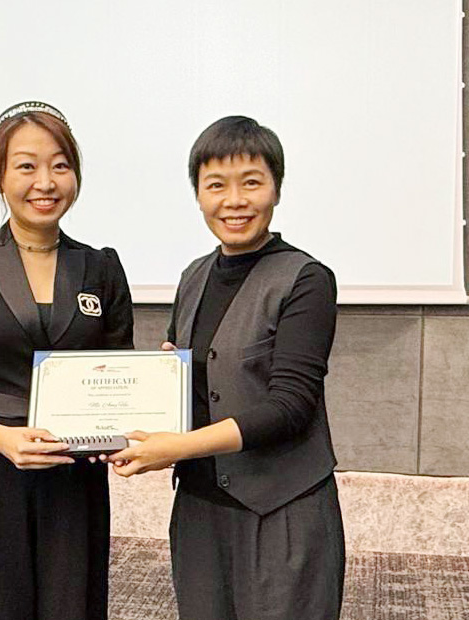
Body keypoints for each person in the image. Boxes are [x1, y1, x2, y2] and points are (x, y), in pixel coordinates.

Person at [110, 116, 345, 620]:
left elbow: (290, 407)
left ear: (276, 188)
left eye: (251, 183)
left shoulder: (306, 279)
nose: (234, 201)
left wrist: (175, 448)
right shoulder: (193, 276)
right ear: (198, 194)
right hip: (199, 510)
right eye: (216, 185)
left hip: (282, 510)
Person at [0, 101, 134, 620]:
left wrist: (155, 389)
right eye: (27, 166)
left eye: (60, 165)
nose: (46, 182)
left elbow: (119, 374)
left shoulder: (101, 267)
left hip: (74, 475)